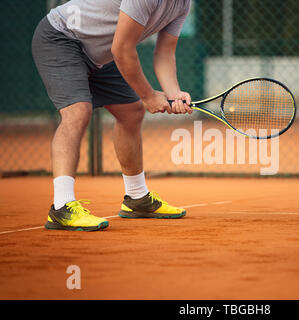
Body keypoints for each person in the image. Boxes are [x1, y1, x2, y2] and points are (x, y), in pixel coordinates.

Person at [32, 0, 192, 231]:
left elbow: (165, 52)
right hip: (62, 37)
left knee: (131, 112)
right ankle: (62, 206)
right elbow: (122, 50)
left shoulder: (182, 4)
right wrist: (148, 96)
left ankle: (137, 199)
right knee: (78, 112)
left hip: (100, 55)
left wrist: (174, 93)